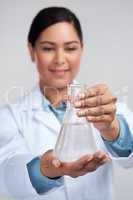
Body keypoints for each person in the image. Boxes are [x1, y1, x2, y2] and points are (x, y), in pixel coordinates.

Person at [0, 6, 133, 200]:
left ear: (82, 49)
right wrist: (45, 168)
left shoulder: (107, 107)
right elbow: (6, 176)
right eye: (48, 48)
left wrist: (112, 129)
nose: (60, 59)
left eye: (70, 48)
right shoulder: (10, 116)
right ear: (32, 50)